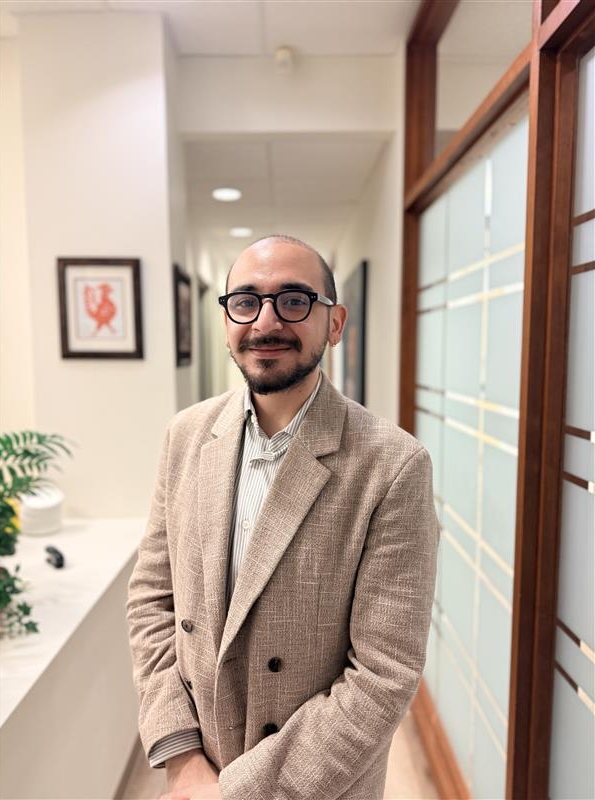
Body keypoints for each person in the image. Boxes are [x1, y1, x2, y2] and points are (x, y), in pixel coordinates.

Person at [125, 234, 439, 800]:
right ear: (226, 320)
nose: (265, 322)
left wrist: (235, 793)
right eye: (245, 301)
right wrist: (182, 757)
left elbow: (383, 672)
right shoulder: (187, 436)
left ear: (335, 323)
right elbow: (153, 596)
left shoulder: (392, 465)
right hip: (198, 770)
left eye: (294, 300)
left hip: (314, 784)